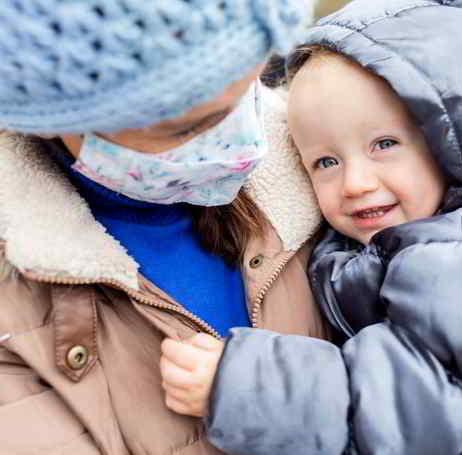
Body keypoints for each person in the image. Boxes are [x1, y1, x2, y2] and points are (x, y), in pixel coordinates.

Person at [160, 0, 462, 453]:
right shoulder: (394, 246)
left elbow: (411, 411)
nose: (354, 184)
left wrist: (246, 387)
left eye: (384, 144)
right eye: (326, 161)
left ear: (458, 138)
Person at [0, 1, 331, 454]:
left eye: (251, 84)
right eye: (187, 127)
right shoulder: (13, 302)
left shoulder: (330, 162)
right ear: (56, 122)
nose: (247, 142)